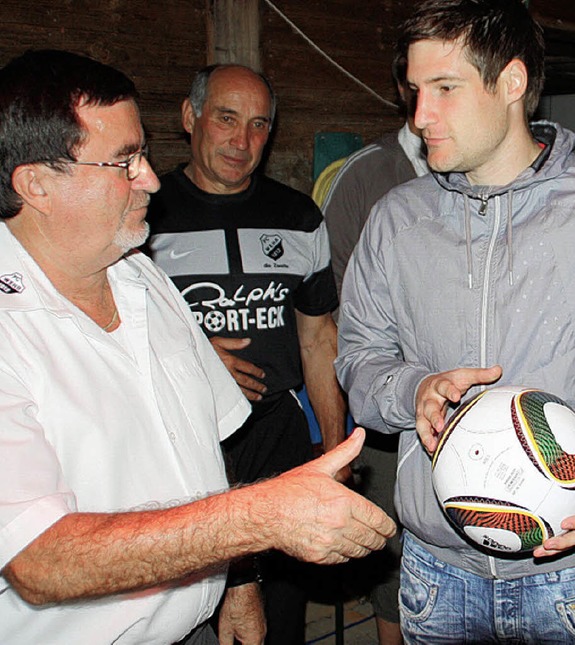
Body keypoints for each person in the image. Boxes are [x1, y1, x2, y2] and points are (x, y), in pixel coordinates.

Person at [0, 49, 396, 645]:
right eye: (124, 162)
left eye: (144, 154)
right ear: (35, 183)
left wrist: (237, 584)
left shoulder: (143, 279)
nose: (151, 179)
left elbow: (205, 463)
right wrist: (261, 519)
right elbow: (39, 561)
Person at [336, 0, 575, 642]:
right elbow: (358, 358)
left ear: (511, 83)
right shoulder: (395, 220)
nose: (420, 118)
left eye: (445, 88)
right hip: (435, 577)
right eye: (416, 92)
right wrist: (411, 389)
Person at [146, 63, 347, 644]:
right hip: (183, 443)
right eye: (226, 119)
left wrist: (331, 455)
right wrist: (192, 356)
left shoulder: (300, 218)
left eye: (258, 125)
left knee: (279, 613)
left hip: (278, 439)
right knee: (191, 612)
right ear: (191, 117)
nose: (241, 141)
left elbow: (318, 339)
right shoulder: (143, 214)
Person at [320, 53, 426, 645]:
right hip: (390, 409)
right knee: (396, 557)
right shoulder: (363, 177)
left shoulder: (479, 173)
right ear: (398, 88)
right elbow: (334, 310)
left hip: (477, 400)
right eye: (418, 85)